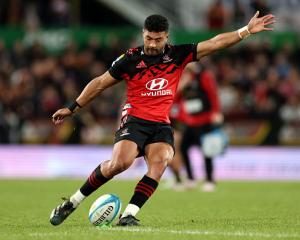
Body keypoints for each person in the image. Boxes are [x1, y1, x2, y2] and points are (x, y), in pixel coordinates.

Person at [50, 12, 275, 226]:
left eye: (158, 39)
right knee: (120, 164)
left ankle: (128, 215)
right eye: (148, 38)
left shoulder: (177, 55)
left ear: (166, 36)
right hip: (135, 120)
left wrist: (245, 30)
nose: (152, 44)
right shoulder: (129, 59)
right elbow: (99, 83)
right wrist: (73, 107)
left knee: (160, 161)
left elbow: (214, 43)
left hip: (160, 124)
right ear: (143, 34)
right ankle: (72, 202)